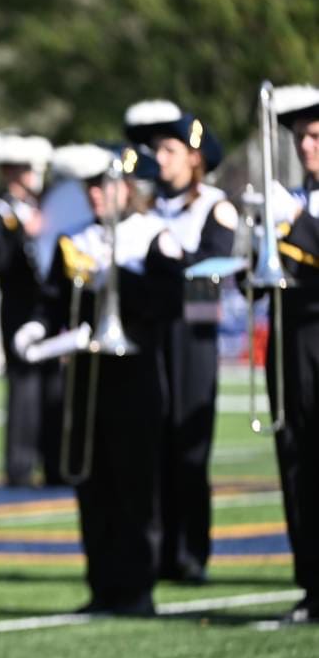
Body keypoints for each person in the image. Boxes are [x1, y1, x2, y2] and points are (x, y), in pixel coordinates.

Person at [14, 144, 179, 616]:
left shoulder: (154, 237)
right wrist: (37, 327)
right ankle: (102, 585)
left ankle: (138, 588)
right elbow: (52, 301)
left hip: (135, 371)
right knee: (92, 481)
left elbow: (169, 304)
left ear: (130, 189)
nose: (95, 195)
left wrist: (120, 279)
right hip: (87, 373)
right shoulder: (74, 240)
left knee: (135, 483)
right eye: (90, 186)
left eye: (104, 185)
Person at [124, 100, 236, 584]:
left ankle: (191, 552)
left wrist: (168, 263)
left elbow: (210, 274)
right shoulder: (145, 211)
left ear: (194, 158)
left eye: (169, 149)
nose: (160, 158)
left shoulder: (216, 206)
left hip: (194, 330)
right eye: (157, 149)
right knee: (153, 444)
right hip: (153, 330)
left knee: (189, 449)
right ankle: (156, 550)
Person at [0, 129, 64, 487]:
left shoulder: (48, 206)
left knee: (54, 384)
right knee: (24, 386)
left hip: (49, 304)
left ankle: (55, 464)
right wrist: (23, 234)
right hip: (18, 306)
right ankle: (20, 468)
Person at [266, 84, 319, 623]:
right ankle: (311, 584)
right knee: (297, 463)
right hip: (290, 342)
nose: (307, 147)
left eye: (316, 137)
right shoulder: (297, 200)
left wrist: (296, 225)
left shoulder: (299, 210)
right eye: (302, 138)